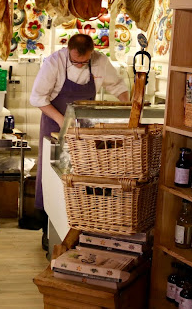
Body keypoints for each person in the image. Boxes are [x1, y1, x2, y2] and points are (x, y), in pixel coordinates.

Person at [30, 34, 129, 215]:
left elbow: (117, 86)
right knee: (54, 170)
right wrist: (63, 122)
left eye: (85, 62)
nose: (80, 65)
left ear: (92, 53)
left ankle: (81, 214)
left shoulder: (100, 61)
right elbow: (37, 98)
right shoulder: (54, 63)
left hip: (85, 127)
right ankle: (47, 218)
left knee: (82, 170)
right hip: (54, 123)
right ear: (69, 50)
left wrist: (128, 109)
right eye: (76, 61)